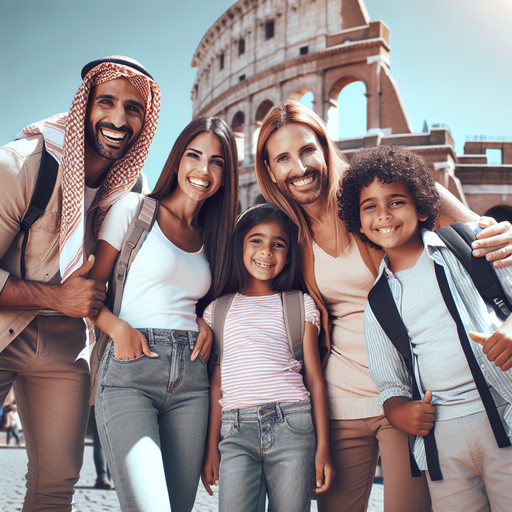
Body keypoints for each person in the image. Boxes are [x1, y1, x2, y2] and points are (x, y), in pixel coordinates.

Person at [254, 100, 512, 512]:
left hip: (414, 398)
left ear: (324, 147)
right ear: (269, 170)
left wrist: (507, 236)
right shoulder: (290, 234)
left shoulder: (382, 192)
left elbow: (483, 243)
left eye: (306, 150)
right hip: (341, 403)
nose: (299, 167)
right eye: (282, 158)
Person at [0, 55, 161, 511]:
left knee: (56, 485)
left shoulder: (132, 189)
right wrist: (57, 296)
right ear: (84, 106)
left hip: (68, 343)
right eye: (106, 102)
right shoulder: (20, 165)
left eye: (133, 108)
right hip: (4, 326)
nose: (118, 118)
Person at [340, 144, 512, 512]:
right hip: (441, 444)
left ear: (421, 206)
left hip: (506, 416)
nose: (383, 214)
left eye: (396, 201)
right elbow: (391, 385)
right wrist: (399, 411)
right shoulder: (377, 302)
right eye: (370, 206)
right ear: (358, 222)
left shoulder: (469, 244)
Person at [88, 116, 239, 512]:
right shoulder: (135, 210)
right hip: (129, 372)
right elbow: (87, 292)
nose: (203, 170)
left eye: (217, 161)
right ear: (177, 158)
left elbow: (214, 301)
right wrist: (116, 328)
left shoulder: (216, 237)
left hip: (192, 380)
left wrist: (205, 319)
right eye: (194, 155)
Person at [200, 203, 334, 512]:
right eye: (256, 240)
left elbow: (314, 379)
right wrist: (210, 448)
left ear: (288, 255)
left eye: (278, 244)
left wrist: (323, 447)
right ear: (240, 245)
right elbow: (216, 384)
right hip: (235, 432)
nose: (267, 252)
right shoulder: (217, 310)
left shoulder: (300, 304)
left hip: (293, 426)